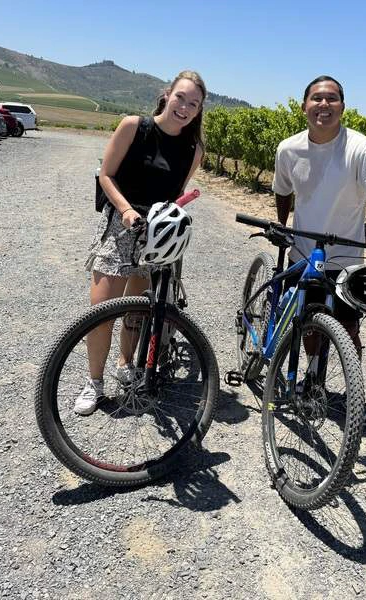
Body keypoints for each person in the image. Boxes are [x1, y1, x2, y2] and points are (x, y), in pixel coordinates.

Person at [74, 70, 207, 415]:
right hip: (122, 227)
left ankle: (125, 365)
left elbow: (176, 193)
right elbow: (106, 174)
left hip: (156, 236)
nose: (185, 107)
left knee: (136, 312)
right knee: (101, 313)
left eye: (194, 103)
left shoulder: (195, 150)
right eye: (181, 97)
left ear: (199, 110)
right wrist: (127, 210)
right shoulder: (135, 126)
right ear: (168, 94)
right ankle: (94, 382)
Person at [272, 75, 366, 355]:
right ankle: (312, 383)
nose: (324, 104)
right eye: (317, 98)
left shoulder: (361, 148)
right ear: (303, 106)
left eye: (332, 98)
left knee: (348, 328)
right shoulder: (288, 149)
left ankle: (352, 389)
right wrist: (283, 224)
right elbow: (282, 189)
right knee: (308, 327)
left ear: (342, 107)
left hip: (347, 260)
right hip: (303, 254)